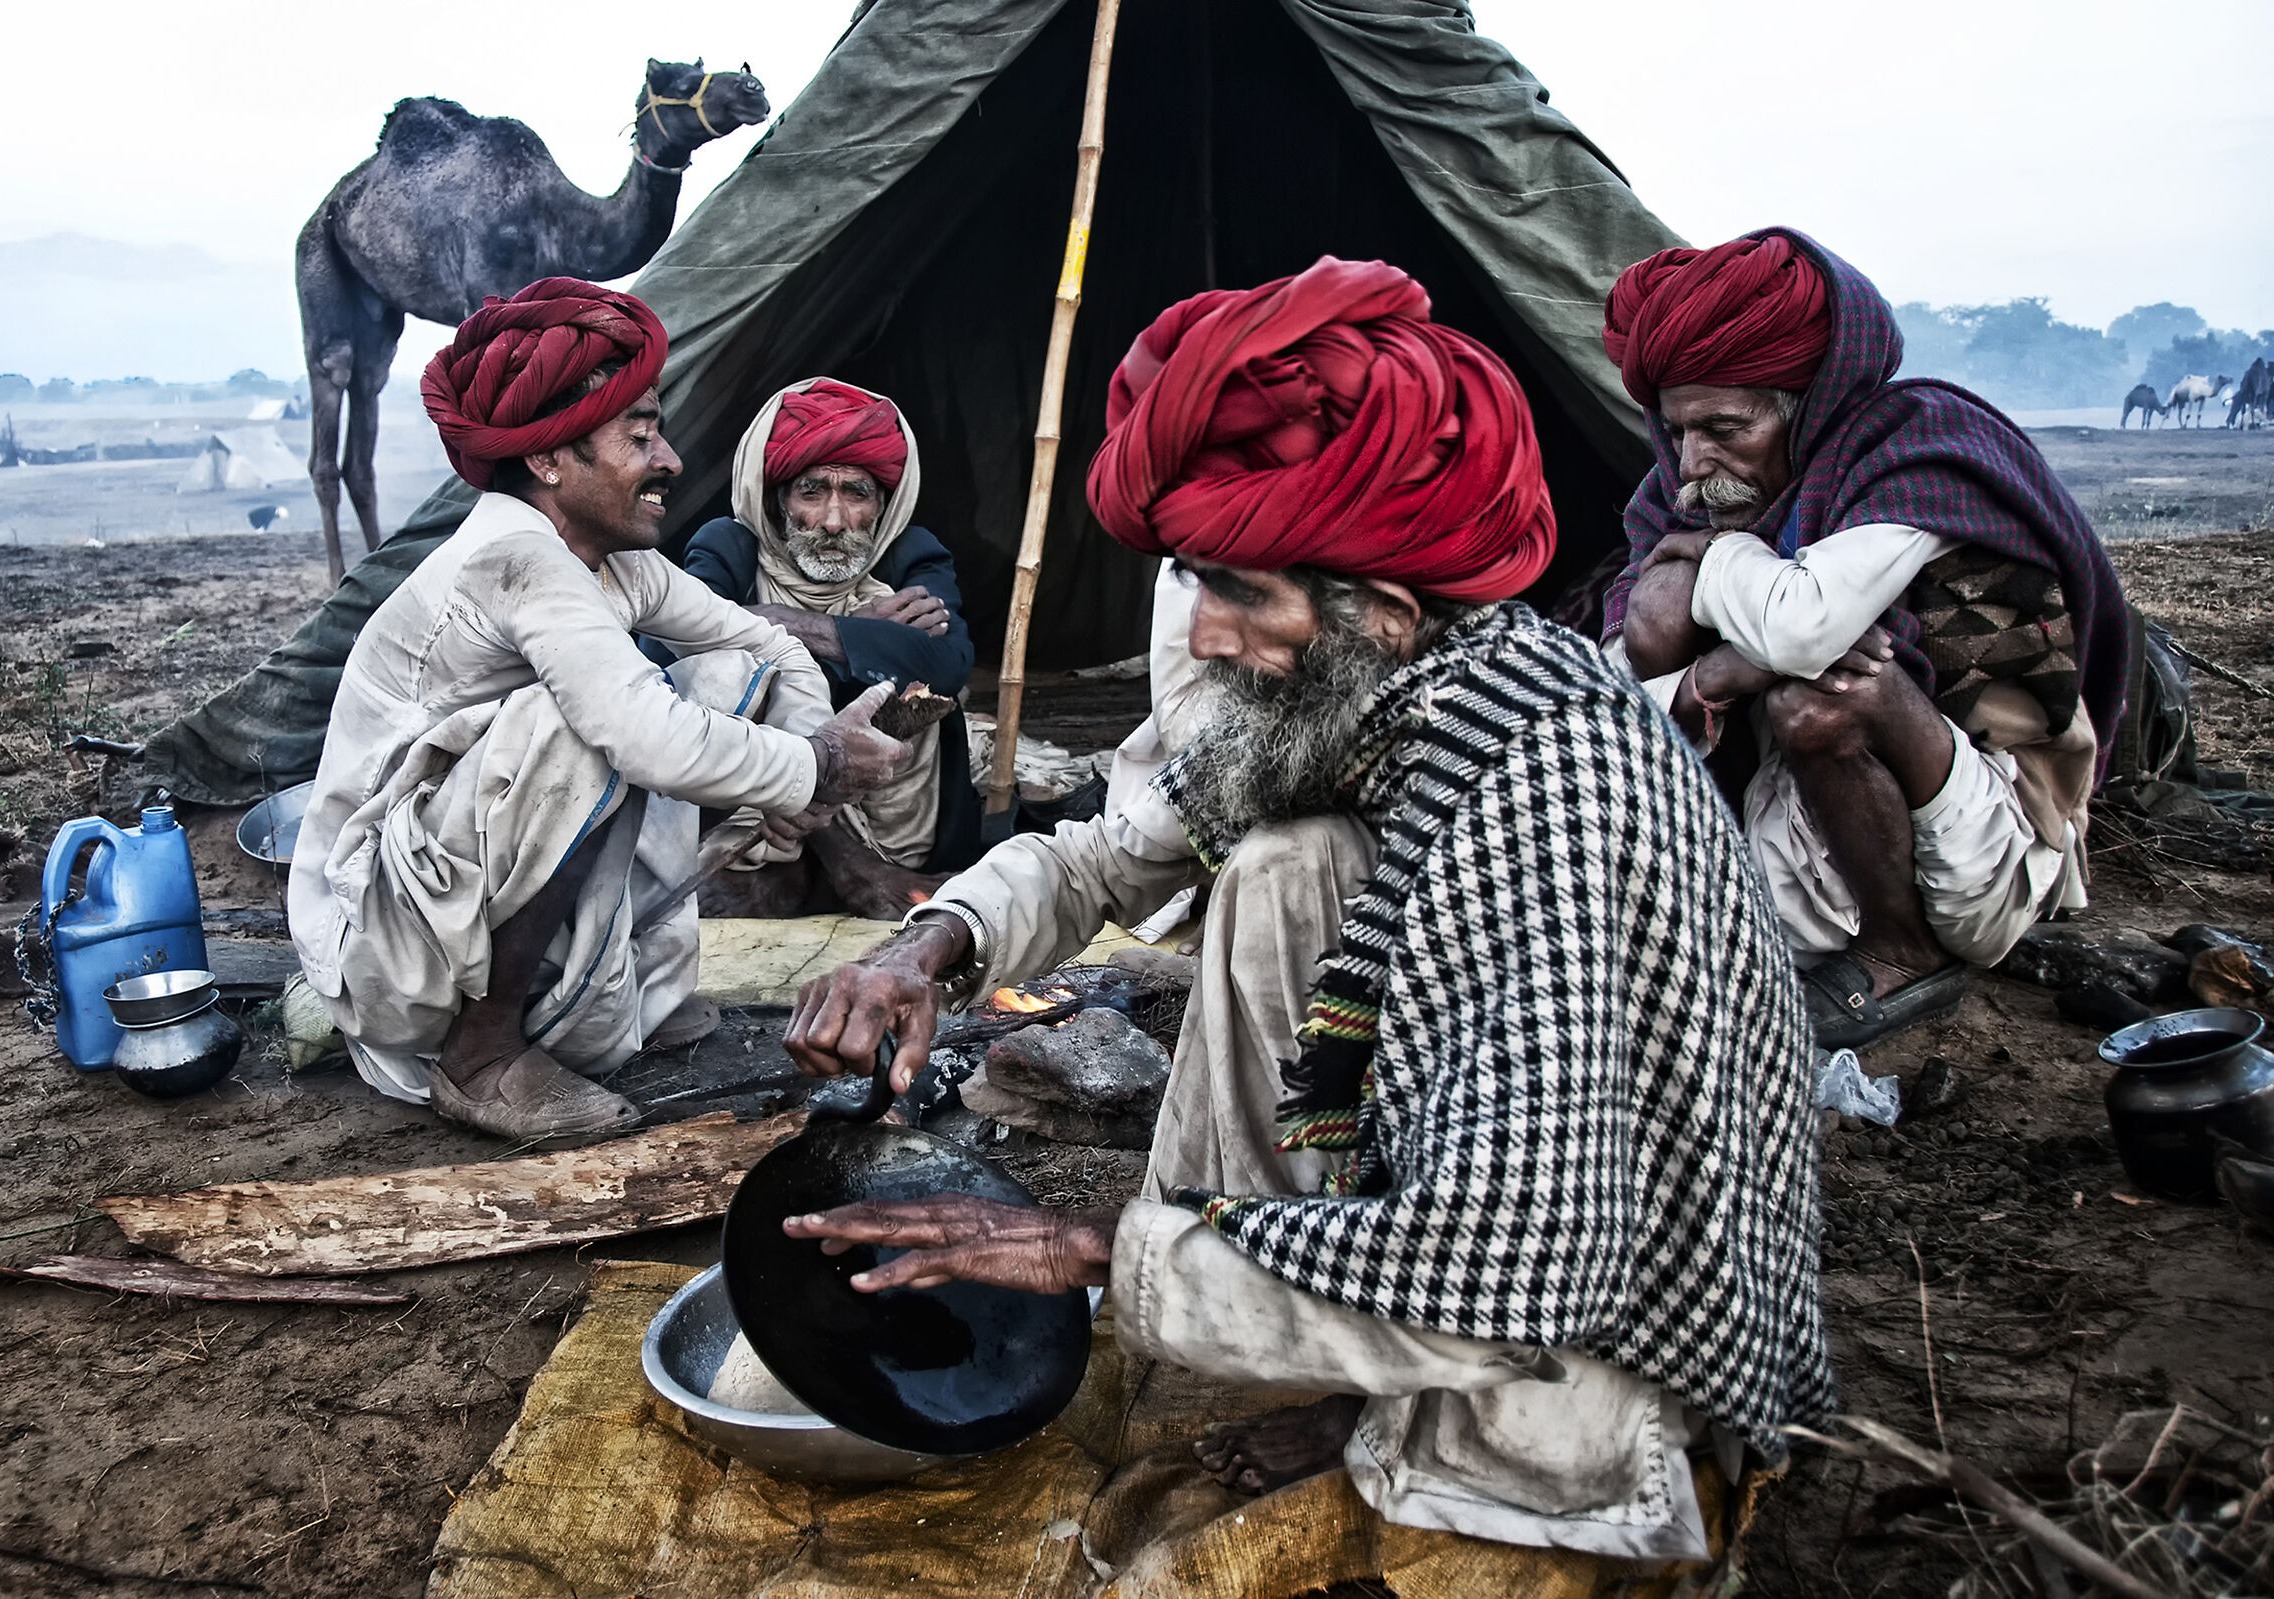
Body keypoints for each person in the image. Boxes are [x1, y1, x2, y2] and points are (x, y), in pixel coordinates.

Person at [780, 259, 1833, 1564]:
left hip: (1607, 1316)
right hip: (1512, 1214)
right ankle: (1288, 1323)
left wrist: (1087, 1249)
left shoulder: (1544, 799)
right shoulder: (1365, 690)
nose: (1206, 635)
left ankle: (1377, 1386)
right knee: (1284, 861)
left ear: (1381, 613)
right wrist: (922, 949)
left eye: (1237, 592)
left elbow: (1524, 1264)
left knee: (1532, 1435)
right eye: (1201, 585)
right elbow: (1109, 855)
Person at [287, 280, 905, 1140]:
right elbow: (641, 735)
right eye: (640, 436)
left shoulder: (613, 562)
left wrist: (805, 749)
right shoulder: (516, 558)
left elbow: (772, 648)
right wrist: (818, 765)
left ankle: (615, 985)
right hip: (384, 936)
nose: (670, 460)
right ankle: (480, 1055)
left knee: (723, 681)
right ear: (548, 460)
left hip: (457, 897)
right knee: (590, 726)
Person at [1597, 230, 2129, 1049]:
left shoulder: (1915, 451)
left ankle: (1899, 951)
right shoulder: (1680, 490)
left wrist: (1714, 558)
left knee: (1834, 691)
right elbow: (1610, 698)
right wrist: (1713, 677)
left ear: (1806, 407)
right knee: (1662, 616)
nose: (1694, 462)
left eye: (1725, 427)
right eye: (1677, 432)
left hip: (1983, 852)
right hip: (1787, 832)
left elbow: (1803, 626)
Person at [680, 378, 981, 917]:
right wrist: (857, 631)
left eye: (857, 494)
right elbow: (675, 649)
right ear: (777, 500)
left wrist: (786, 625)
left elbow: (946, 664)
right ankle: (846, 865)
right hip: (763, 815)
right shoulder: (729, 547)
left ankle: (858, 863)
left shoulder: (909, 553)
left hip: (896, 825)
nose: (835, 521)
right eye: (812, 491)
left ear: (883, 504)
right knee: (731, 682)